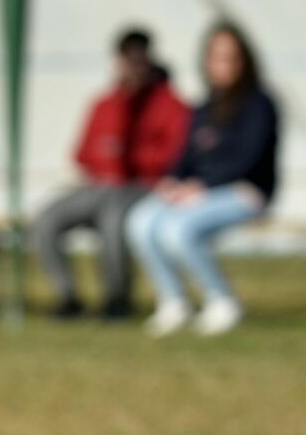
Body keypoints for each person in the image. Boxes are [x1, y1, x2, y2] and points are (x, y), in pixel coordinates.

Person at [125, 21, 278, 337]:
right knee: (141, 220)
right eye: (217, 57)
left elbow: (248, 158)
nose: (223, 65)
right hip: (197, 191)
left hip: (243, 191)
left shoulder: (259, 105)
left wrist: (203, 187)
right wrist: (172, 180)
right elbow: (186, 157)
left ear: (244, 60)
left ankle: (221, 299)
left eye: (230, 57)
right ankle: (173, 300)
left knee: (177, 229)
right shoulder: (204, 109)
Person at [32, 28, 191, 320]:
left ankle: (116, 299)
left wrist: (133, 156)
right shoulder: (105, 104)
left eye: (137, 60)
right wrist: (108, 157)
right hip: (100, 184)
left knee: (114, 218)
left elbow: (176, 157)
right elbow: (82, 153)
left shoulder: (170, 105)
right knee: (46, 218)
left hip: (142, 186)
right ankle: (68, 296)